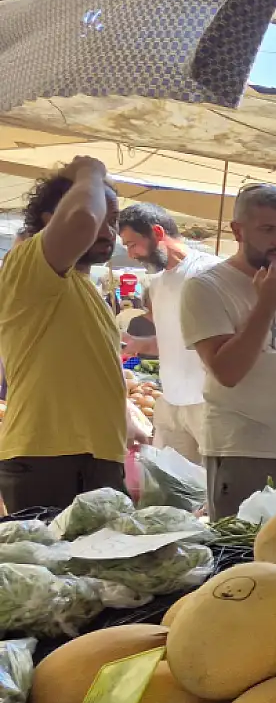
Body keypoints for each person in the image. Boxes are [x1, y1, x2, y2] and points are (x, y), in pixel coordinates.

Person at [181, 184, 276, 519]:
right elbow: (227, 371)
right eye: (268, 230)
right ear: (238, 231)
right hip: (245, 450)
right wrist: (265, 305)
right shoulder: (205, 287)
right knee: (245, 556)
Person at [0, 158, 130, 512]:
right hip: (50, 458)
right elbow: (81, 221)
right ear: (48, 220)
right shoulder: (29, 266)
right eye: (103, 217)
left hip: (93, 459)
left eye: (114, 221)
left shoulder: (85, 288)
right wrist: (89, 171)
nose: (107, 231)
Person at [117, 203, 219, 461]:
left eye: (132, 244)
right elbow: (172, 342)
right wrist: (139, 344)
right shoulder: (158, 283)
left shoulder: (211, 272)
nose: (131, 255)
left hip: (209, 404)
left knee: (211, 489)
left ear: (158, 233)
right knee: (170, 489)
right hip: (171, 403)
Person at [125, 296, 157, 361]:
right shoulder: (136, 322)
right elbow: (130, 350)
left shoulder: (173, 321)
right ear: (145, 303)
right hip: (144, 366)